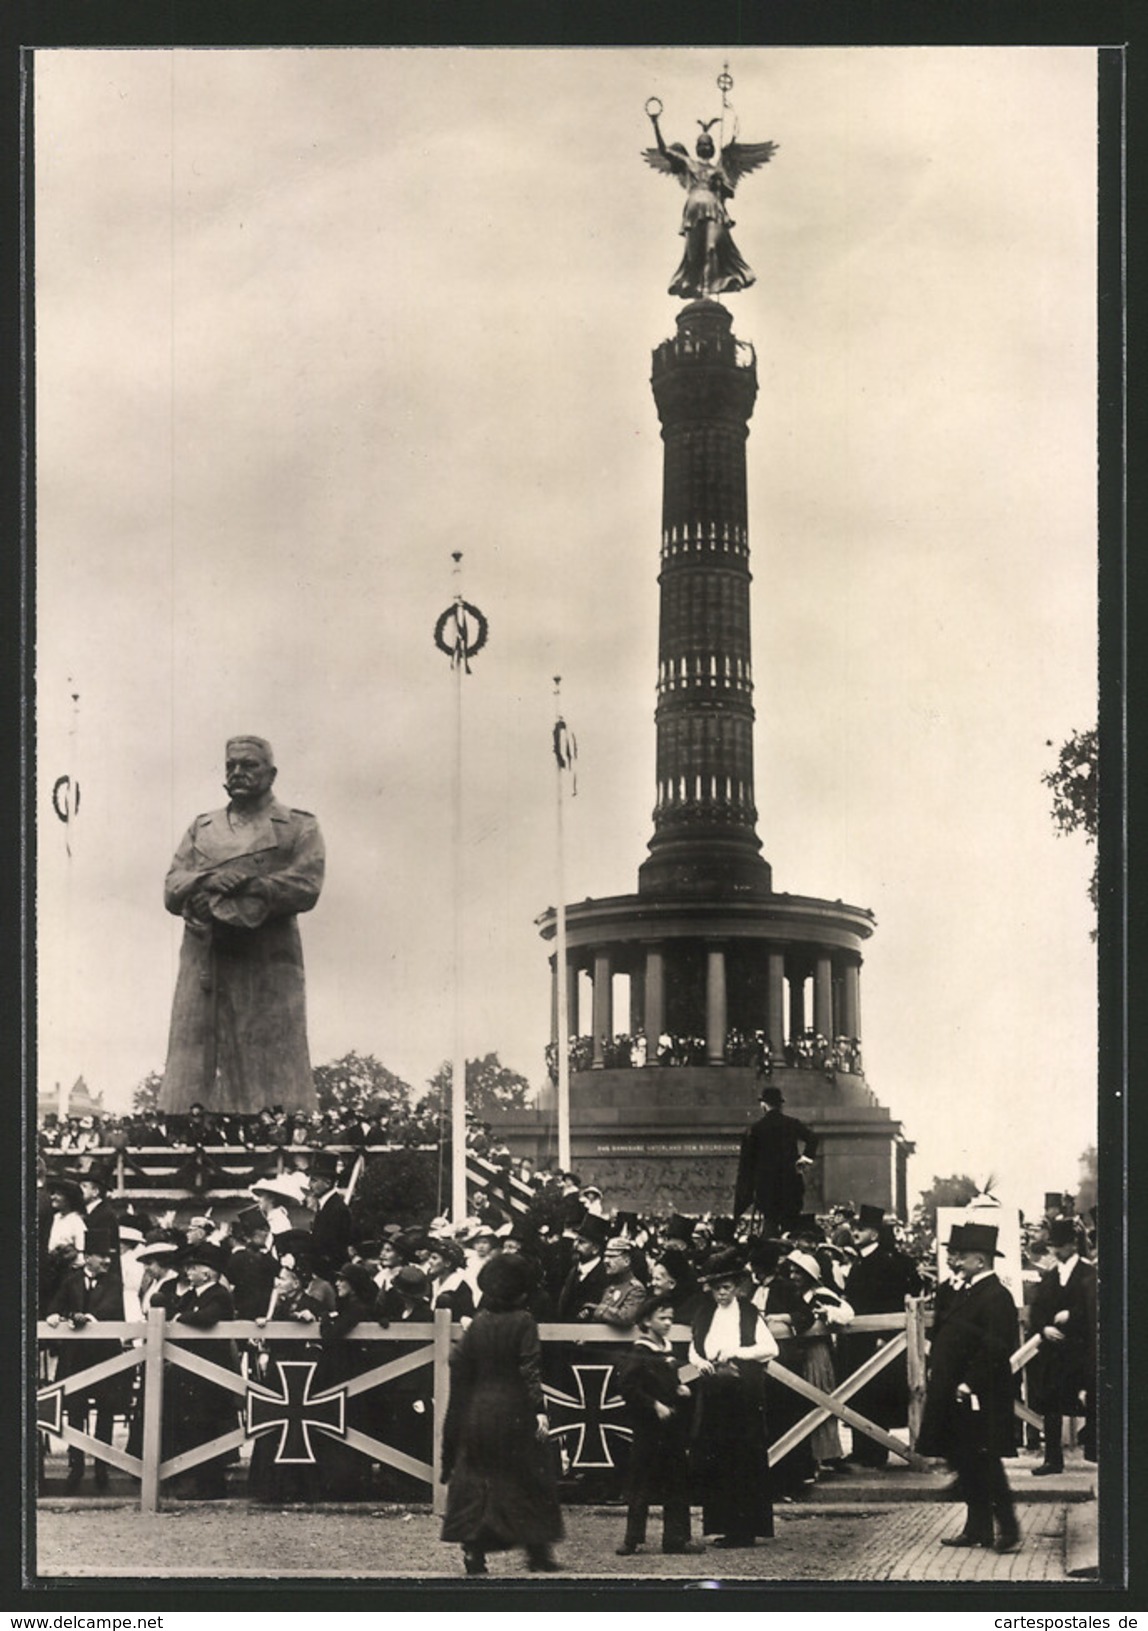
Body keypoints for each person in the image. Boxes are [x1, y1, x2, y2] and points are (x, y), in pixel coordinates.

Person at [159, 735, 325, 1115]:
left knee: (269, 1052)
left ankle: (277, 1129)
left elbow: (307, 885)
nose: (237, 772)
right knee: (195, 1054)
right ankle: (184, 1126)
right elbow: (172, 888)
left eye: (248, 765)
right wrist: (206, 880)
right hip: (205, 959)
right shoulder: (201, 828)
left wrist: (252, 886)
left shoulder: (298, 827)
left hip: (267, 961)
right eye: (231, 765)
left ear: (272, 773)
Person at [440, 1253, 564, 1576]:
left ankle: (474, 1550)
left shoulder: (479, 1322)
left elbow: (457, 1362)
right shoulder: (524, 1321)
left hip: (478, 1412)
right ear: (521, 1293)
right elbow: (529, 1368)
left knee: (480, 1483)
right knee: (529, 1480)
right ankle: (538, 1552)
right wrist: (539, 1410)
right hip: (515, 1409)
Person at [916, 1221, 1021, 1553]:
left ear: (980, 1260)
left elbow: (996, 1347)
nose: (956, 1262)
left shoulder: (996, 1296)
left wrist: (968, 1383)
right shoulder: (970, 1291)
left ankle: (1008, 1527)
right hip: (961, 1393)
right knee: (969, 1459)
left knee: (986, 1461)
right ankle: (977, 1528)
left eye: (963, 1257)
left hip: (980, 1393)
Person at [687, 1246, 779, 1548]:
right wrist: (699, 1361)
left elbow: (770, 1348)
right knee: (719, 1459)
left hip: (743, 1396)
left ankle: (746, 1529)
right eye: (716, 1289)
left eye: (726, 1288)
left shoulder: (749, 1313)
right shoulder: (705, 1313)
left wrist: (737, 1352)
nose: (721, 1294)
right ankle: (724, 1526)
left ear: (737, 1287)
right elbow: (694, 1346)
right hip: (715, 1394)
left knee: (744, 1459)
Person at [642, 106, 777, 300]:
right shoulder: (688, 163)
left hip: (714, 209)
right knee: (694, 253)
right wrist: (655, 123)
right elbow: (664, 151)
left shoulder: (719, 169)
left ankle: (710, 289)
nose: (704, 146)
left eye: (707, 144)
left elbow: (729, 192)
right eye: (701, 143)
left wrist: (720, 183)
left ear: (712, 148)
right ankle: (698, 290)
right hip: (694, 209)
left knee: (714, 247)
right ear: (697, 147)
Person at [836, 1203, 923, 1467]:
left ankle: (875, 1451)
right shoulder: (861, 1261)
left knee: (875, 1395)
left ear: (874, 1234)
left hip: (878, 1340)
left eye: (861, 1229)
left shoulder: (888, 1262)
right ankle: (863, 1449)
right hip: (857, 1338)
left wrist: (885, 1336)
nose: (855, 1233)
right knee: (859, 1393)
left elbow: (894, 1300)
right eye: (854, 1228)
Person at [615, 1294, 702, 1557]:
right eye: (662, 1318)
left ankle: (676, 1538)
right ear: (646, 1321)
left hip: (671, 1427)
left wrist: (679, 1388)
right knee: (641, 1481)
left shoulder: (667, 1349)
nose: (667, 1323)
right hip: (648, 1428)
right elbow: (628, 1387)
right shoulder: (639, 1351)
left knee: (677, 1480)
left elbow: (666, 1379)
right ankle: (632, 1539)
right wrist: (654, 1405)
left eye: (670, 1319)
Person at [45, 1229, 127, 1492]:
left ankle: (102, 1465)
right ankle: (76, 1465)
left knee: (106, 1409)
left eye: (109, 1256)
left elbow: (112, 1308)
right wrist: (58, 1316)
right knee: (76, 1411)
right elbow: (54, 1306)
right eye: (101, 1256)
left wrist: (88, 1318)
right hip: (76, 1358)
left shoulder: (114, 1281)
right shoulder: (71, 1281)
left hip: (105, 1356)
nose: (106, 1261)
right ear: (88, 1257)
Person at [1026, 1217, 1097, 1471]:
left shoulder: (1089, 1273)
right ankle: (1053, 1459)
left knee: (1089, 1400)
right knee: (1050, 1404)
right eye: (1053, 1246)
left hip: (1081, 1349)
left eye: (1060, 1246)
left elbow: (1096, 1310)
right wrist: (1044, 1328)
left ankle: (1097, 1453)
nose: (1055, 1251)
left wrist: (1072, 1316)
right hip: (1054, 1353)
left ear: (1072, 1245)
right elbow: (1037, 1311)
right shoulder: (1050, 1275)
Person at [733, 1086, 819, 1236]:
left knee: (770, 1227)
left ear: (763, 1104)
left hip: (767, 1191)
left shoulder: (755, 1129)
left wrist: (742, 1201)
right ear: (780, 1104)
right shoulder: (792, 1124)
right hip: (791, 1187)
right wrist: (805, 1159)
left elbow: (746, 1167)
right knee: (791, 1229)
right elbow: (813, 1138)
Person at [305, 1153, 353, 1283]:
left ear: (327, 1182)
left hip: (330, 1275)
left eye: (314, 1180)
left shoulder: (337, 1209)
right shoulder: (325, 1205)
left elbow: (334, 1249)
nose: (309, 1185)